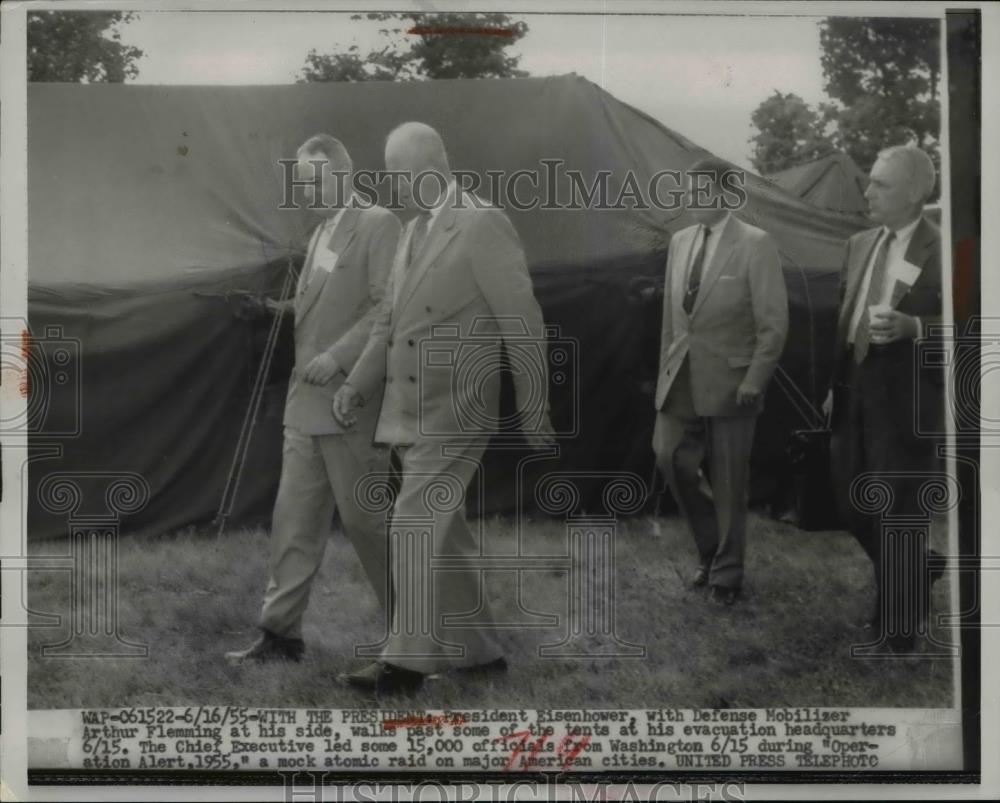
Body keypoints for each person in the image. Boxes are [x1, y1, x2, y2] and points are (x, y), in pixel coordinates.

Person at [332, 122, 554, 694]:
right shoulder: (412, 233)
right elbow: (389, 320)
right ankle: (479, 652)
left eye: (399, 174)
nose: (394, 186)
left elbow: (522, 322)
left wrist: (534, 407)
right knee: (441, 529)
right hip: (412, 406)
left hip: (458, 403)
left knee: (411, 522)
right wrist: (357, 384)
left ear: (430, 167)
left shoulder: (482, 223)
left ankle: (406, 662)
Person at [226, 134, 401, 663]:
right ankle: (280, 634)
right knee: (293, 521)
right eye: (301, 182)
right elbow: (324, 308)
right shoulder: (323, 231)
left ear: (345, 174)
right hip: (305, 407)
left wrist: (340, 358)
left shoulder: (377, 224)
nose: (306, 191)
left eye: (315, 179)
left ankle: (419, 636)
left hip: (350, 404)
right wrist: (276, 309)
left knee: (369, 526)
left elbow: (388, 307)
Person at [822, 144, 944, 652]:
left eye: (881, 184)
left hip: (909, 396)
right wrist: (834, 384)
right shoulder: (859, 243)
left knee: (899, 509)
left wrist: (915, 326)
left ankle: (899, 627)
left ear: (916, 192)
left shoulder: (947, 246)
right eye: (869, 181)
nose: (867, 191)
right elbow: (846, 320)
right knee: (851, 501)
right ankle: (919, 570)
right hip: (853, 387)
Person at [653, 156, 788, 606]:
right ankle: (712, 549)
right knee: (670, 457)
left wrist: (756, 377)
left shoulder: (755, 243)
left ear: (725, 195)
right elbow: (673, 322)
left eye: (699, 191)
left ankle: (727, 575)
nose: (690, 199)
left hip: (735, 382)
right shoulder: (679, 242)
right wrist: (664, 374)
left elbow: (773, 323)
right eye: (687, 191)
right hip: (681, 378)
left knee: (730, 479)